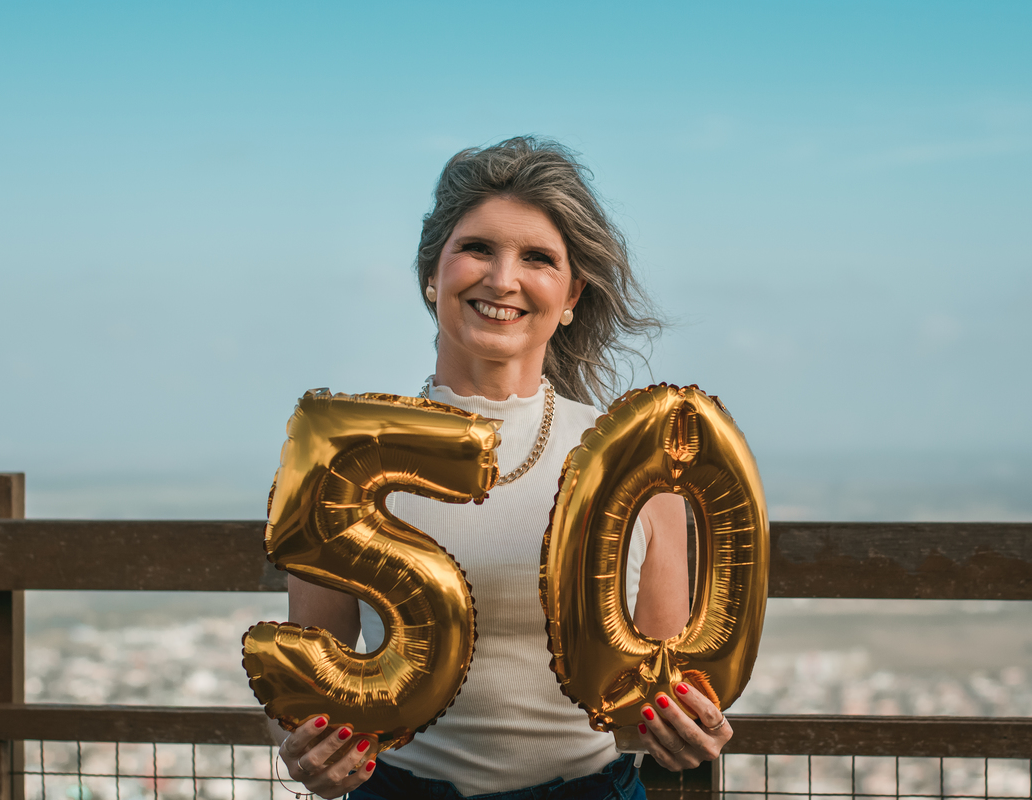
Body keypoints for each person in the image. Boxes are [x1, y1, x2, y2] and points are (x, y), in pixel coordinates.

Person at [273, 136, 733, 799]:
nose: (502, 279)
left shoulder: (638, 466)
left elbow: (664, 692)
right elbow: (305, 681)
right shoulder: (339, 461)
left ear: (571, 295)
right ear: (432, 273)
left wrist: (692, 731)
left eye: (538, 258)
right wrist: (307, 753)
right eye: (478, 248)